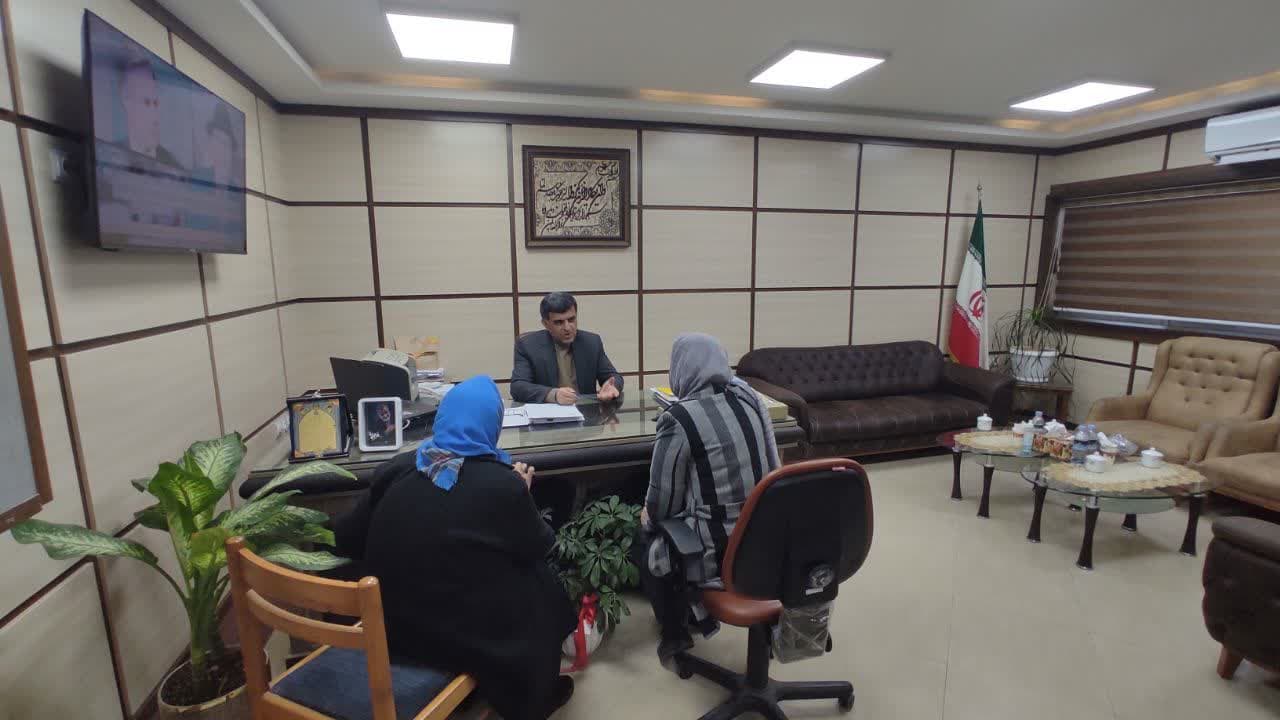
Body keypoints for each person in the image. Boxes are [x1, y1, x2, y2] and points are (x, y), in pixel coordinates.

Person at [334, 376, 577, 720]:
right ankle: (534, 697)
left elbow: (346, 537)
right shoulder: (502, 484)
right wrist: (523, 494)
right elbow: (540, 544)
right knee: (539, 582)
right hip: (460, 639)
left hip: (392, 629)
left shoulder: (398, 467)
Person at [635, 333, 781, 662]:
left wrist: (648, 516)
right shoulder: (749, 401)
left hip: (720, 551)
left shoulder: (679, 418)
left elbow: (663, 503)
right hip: (765, 540)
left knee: (645, 535)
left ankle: (676, 635)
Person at [511, 292, 624, 405]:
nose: (567, 327)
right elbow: (518, 387)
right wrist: (553, 395)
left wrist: (612, 387)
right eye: (559, 322)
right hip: (549, 412)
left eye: (571, 319)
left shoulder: (591, 342)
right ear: (545, 324)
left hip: (586, 412)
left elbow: (614, 377)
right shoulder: (528, 346)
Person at [119, 57, 183, 168]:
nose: (155, 114)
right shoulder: (110, 157)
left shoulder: (174, 168)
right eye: (147, 103)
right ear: (127, 102)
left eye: (156, 104)